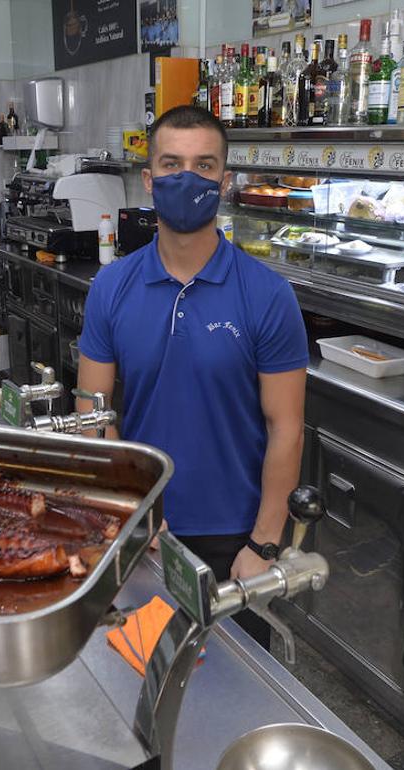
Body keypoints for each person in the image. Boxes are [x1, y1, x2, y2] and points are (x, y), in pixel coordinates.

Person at [76, 105, 308, 648]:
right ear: (148, 179)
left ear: (224, 182)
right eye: (172, 164)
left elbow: (287, 428)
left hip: (235, 538)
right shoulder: (112, 289)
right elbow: (92, 409)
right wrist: (133, 505)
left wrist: (266, 542)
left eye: (204, 166)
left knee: (233, 696)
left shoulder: (267, 296)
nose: (188, 178)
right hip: (141, 526)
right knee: (138, 670)